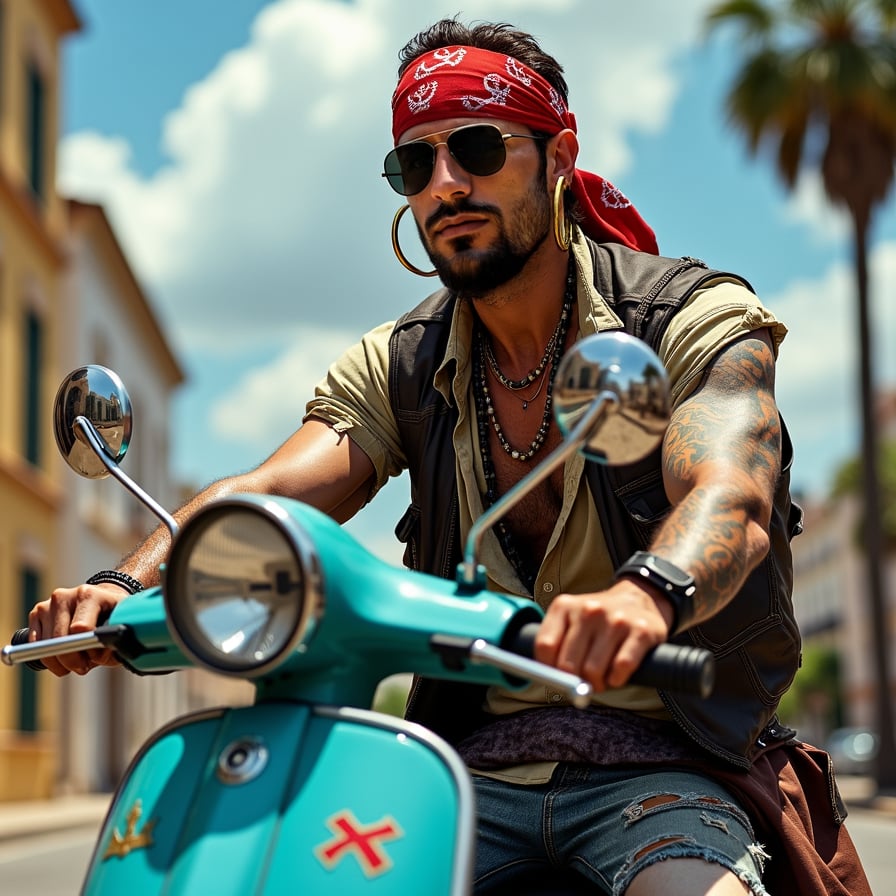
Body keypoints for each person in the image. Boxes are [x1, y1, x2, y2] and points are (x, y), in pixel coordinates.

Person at [30, 17, 870, 896]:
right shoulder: (404, 361)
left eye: (476, 146)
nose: (445, 184)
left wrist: (648, 592)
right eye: (414, 164)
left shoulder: (683, 321)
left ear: (557, 156)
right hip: (467, 770)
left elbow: (731, 491)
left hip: (664, 765)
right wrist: (122, 588)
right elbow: (270, 494)